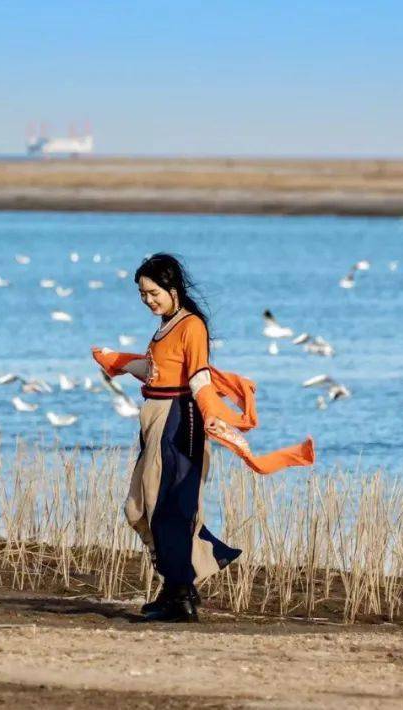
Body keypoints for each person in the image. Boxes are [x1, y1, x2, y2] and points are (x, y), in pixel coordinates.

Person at [93, 254, 315, 622]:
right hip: (154, 420)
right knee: (137, 510)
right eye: (142, 295)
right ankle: (193, 569)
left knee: (169, 509)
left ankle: (179, 596)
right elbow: (156, 370)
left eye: (153, 292)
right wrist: (114, 361)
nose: (148, 300)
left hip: (180, 419)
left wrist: (213, 414)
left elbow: (198, 378)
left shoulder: (191, 325)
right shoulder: (166, 326)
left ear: (172, 287)